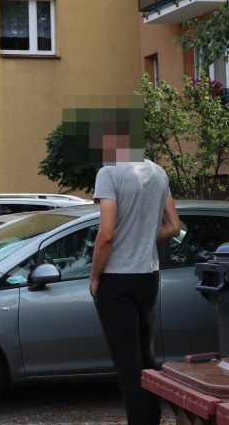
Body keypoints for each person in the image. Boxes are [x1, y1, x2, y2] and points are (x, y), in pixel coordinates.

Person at [90, 109, 180, 425]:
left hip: (117, 279)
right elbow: (174, 225)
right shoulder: (158, 172)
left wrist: (94, 276)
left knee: (127, 365)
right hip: (148, 276)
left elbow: (107, 233)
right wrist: (142, 239)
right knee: (146, 359)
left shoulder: (109, 173)